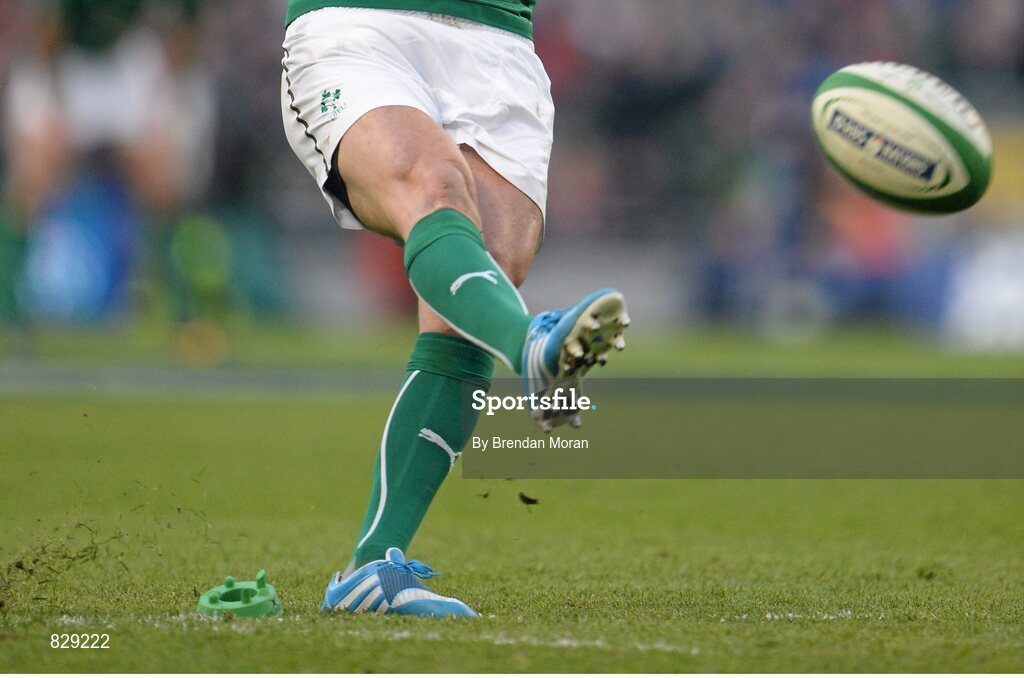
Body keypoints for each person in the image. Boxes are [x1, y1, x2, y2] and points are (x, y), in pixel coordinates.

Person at [280, 0, 630, 618]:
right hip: (366, 21)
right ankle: (531, 344)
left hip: (500, 43)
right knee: (432, 183)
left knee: (482, 277)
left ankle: (372, 567)